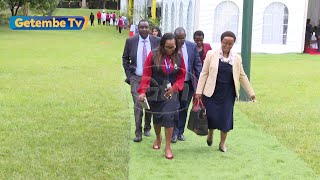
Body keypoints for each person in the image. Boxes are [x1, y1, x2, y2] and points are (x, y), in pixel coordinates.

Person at [195, 31, 256, 152]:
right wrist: (199, 91)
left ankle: (222, 143)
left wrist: (251, 94)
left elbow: (242, 76)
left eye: (230, 43)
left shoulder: (237, 58)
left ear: (233, 44)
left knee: (226, 119)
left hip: (228, 93)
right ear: (221, 41)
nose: (227, 45)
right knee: (211, 116)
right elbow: (204, 73)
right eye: (225, 43)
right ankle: (210, 133)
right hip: (212, 92)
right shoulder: (211, 54)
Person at [138, 33, 186, 160]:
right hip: (155, 90)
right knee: (157, 117)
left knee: (169, 115)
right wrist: (142, 91)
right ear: (162, 46)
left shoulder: (179, 57)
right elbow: (146, 74)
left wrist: (175, 88)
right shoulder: (153, 55)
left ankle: (168, 146)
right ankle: (158, 138)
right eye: (168, 47)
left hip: (171, 91)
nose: (171, 50)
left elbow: (182, 76)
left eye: (173, 47)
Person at [122, 20, 161, 142]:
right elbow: (125, 58)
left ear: (149, 28)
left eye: (146, 27)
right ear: (138, 28)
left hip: (152, 78)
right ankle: (138, 132)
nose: (144, 29)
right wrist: (129, 76)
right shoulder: (131, 41)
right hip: (136, 78)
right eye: (141, 27)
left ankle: (147, 127)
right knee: (138, 104)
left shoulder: (156, 41)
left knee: (149, 104)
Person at [172, 27, 202, 143]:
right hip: (174, 84)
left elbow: (197, 64)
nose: (180, 41)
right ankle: (173, 132)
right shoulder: (170, 46)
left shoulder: (192, 46)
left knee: (183, 107)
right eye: (178, 38)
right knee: (174, 107)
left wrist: (200, 81)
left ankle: (180, 132)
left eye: (182, 38)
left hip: (187, 84)